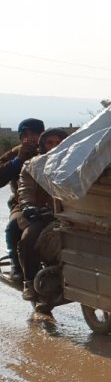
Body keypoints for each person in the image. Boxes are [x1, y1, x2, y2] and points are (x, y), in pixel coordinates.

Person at [17, 128, 67, 314]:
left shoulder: (75, 162)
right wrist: (29, 207)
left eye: (59, 142)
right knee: (27, 240)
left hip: (69, 215)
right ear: (42, 145)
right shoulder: (32, 165)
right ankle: (29, 282)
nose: (54, 146)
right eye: (50, 143)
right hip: (40, 214)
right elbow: (25, 190)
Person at [1, 118, 43, 282]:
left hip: (53, 203)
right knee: (13, 227)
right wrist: (17, 161)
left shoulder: (50, 149)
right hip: (22, 203)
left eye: (35, 134)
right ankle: (16, 264)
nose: (30, 138)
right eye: (25, 134)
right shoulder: (15, 153)